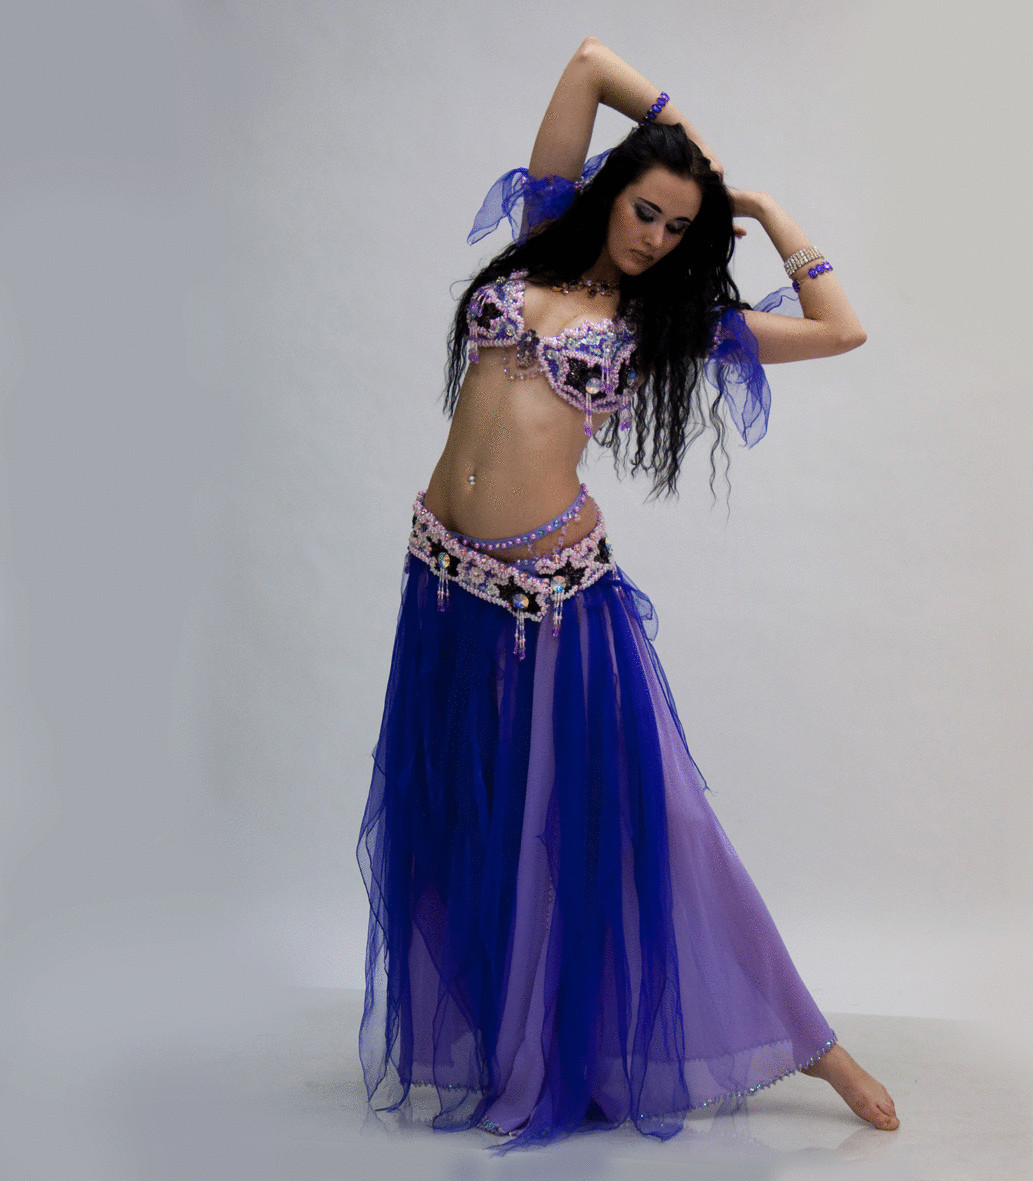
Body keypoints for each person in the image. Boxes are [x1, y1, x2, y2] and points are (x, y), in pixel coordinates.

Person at [357, 36, 899, 1151]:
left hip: (556, 604)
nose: (654, 237)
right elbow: (590, 64)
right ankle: (522, 1032)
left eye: (677, 228)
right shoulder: (535, 242)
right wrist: (690, 150)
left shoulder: (669, 324)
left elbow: (840, 329)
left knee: (656, 819)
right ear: (610, 194)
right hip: (444, 587)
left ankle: (809, 1039)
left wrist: (757, 206)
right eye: (645, 211)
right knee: (473, 817)